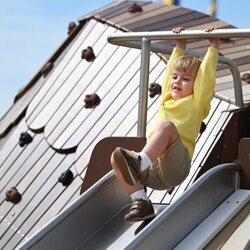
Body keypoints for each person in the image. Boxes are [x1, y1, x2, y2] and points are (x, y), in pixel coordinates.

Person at [110, 26, 220, 224]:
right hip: (153, 170)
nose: (177, 82)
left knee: (167, 127)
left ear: (196, 86)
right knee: (117, 156)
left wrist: (213, 46)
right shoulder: (166, 100)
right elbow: (169, 74)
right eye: (176, 78)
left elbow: (206, 79)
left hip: (176, 167)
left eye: (186, 79)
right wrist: (180, 45)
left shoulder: (197, 102)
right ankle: (141, 201)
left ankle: (139, 163)